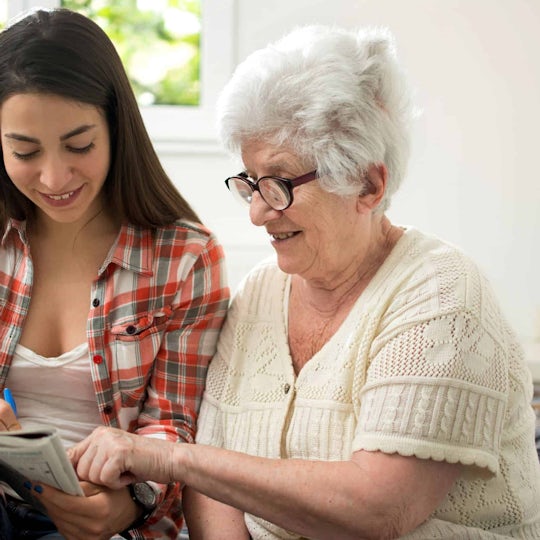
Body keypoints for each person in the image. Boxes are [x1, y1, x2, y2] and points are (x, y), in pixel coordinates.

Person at [69, 25, 540, 539]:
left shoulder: (443, 294)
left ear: (367, 183)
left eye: (277, 183)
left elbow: (378, 510)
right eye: (249, 182)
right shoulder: (259, 293)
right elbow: (215, 482)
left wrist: (172, 459)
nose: (255, 213)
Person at [0, 7, 229, 540]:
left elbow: (177, 426)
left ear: (116, 127)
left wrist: (131, 504)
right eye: (24, 151)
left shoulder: (185, 259)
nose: (54, 177)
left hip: (111, 525)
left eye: (79, 146)